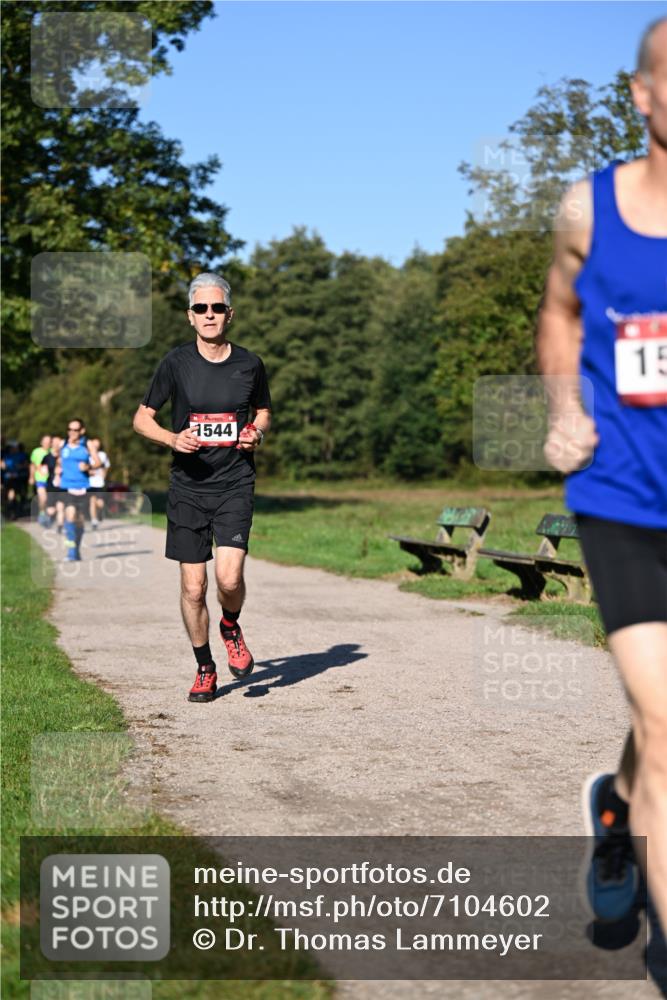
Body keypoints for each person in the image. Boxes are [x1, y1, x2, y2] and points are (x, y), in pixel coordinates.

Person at [537, 16, 667, 932]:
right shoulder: (589, 208)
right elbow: (556, 313)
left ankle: (616, 810)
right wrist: (563, 409)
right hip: (620, 495)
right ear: (642, 93)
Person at [133, 273, 272, 703]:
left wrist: (256, 434)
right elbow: (142, 419)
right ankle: (205, 667)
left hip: (234, 483)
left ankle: (230, 624)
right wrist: (172, 439)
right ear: (190, 316)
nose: (209, 315)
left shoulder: (250, 364)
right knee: (194, 588)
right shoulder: (175, 364)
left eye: (216, 308)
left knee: (228, 580)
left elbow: (263, 411)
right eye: (200, 309)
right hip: (188, 488)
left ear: (229, 314)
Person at [59, 419, 99, 561]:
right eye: (70, 429)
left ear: (82, 431)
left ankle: (76, 549)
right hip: (66, 486)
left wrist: (88, 467)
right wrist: (58, 471)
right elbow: (58, 461)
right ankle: (70, 552)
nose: (72, 432)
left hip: (83, 487)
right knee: (69, 517)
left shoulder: (87, 444)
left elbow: (98, 462)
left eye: (75, 430)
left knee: (80, 521)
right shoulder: (62, 444)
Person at [87, 438, 110, 528]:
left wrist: (104, 475)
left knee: (100, 503)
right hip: (89, 482)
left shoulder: (102, 455)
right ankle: (94, 521)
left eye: (97, 445)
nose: (96, 446)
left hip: (99, 483)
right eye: (94, 445)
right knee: (92, 501)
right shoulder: (87, 455)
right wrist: (88, 472)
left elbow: (106, 466)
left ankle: (99, 514)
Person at [30, 434, 52, 526]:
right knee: (43, 498)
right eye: (45, 442)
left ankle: (48, 515)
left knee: (50, 499)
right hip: (40, 479)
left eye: (49, 442)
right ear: (41, 442)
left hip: (51, 479)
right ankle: (42, 514)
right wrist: (31, 477)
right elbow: (33, 465)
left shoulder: (52, 452)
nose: (47, 444)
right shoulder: (36, 452)